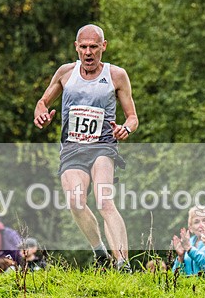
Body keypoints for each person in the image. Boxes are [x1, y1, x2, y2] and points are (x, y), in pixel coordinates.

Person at [34, 24, 138, 271]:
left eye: (93, 47)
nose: (88, 53)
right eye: (83, 47)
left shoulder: (116, 75)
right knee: (75, 202)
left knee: (104, 201)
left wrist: (126, 128)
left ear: (104, 46)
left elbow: (132, 116)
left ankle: (123, 262)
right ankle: (100, 252)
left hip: (103, 146)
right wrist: (42, 115)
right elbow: (42, 101)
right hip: (72, 149)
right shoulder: (65, 73)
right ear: (76, 48)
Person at [171, 206, 205, 276]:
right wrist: (180, 257)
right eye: (196, 222)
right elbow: (175, 276)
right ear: (190, 228)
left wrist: (190, 249)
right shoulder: (187, 243)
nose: (201, 225)